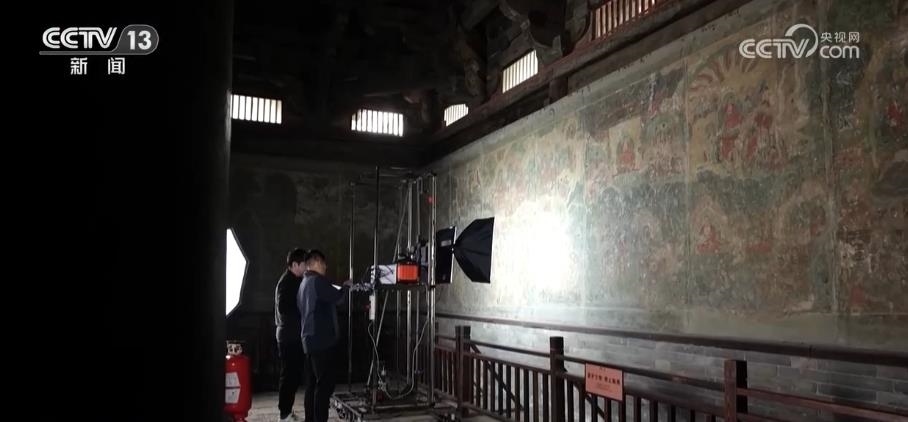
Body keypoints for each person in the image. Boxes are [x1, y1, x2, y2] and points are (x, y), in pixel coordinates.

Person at [297, 249, 351, 422]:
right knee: (324, 386)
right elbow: (338, 298)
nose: (326, 267)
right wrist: (347, 287)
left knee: (312, 385)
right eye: (324, 263)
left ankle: (310, 419)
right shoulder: (318, 281)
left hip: (308, 340)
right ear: (316, 262)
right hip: (321, 341)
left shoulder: (304, 283)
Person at [274, 248, 308, 422]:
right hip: (288, 336)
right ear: (295, 265)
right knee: (288, 376)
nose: (306, 267)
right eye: (304, 264)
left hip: (293, 335)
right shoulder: (287, 282)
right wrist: (302, 311)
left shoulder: (295, 280)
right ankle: (284, 414)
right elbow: (283, 308)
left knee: (293, 376)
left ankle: (287, 410)